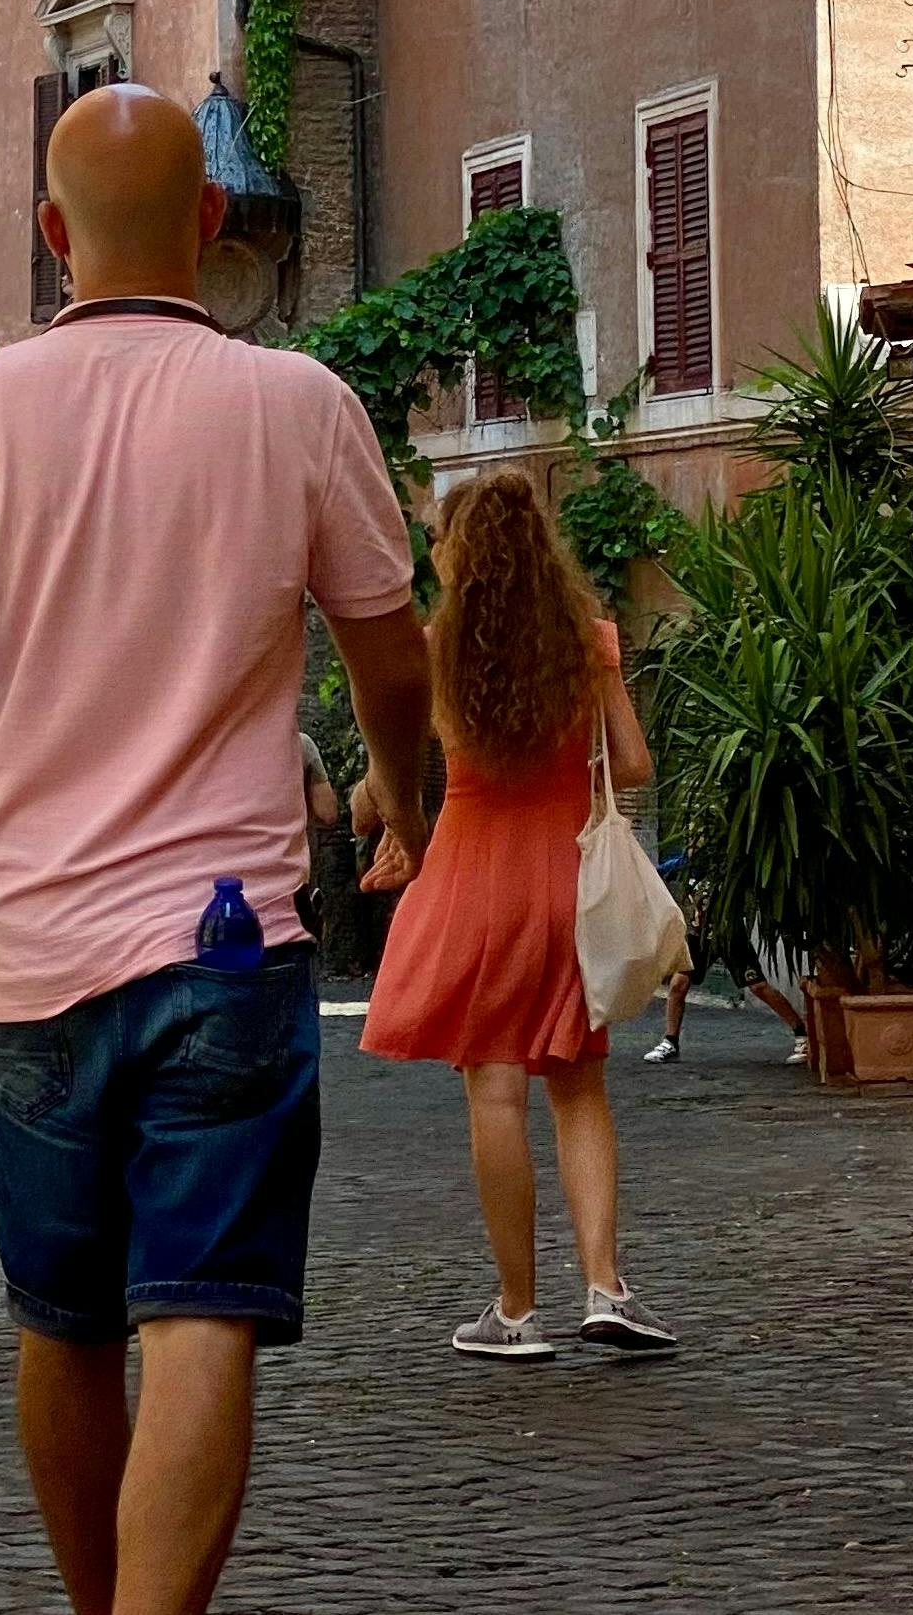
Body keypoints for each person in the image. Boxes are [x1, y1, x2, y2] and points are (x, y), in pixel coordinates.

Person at [0, 82, 433, 1615]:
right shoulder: (298, 403)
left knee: (64, 1321)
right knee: (201, 1320)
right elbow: (389, 649)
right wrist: (399, 789)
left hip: (33, 953)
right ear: (215, 224)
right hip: (230, 945)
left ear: (51, 233)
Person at [359, 471, 681, 1358]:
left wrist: (382, 816)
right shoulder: (588, 643)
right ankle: (606, 1287)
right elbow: (636, 762)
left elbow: (388, 774)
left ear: (460, 554)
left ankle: (514, 1310)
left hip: (470, 880)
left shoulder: (433, 651)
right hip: (565, 879)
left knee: (494, 1090)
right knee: (578, 1087)